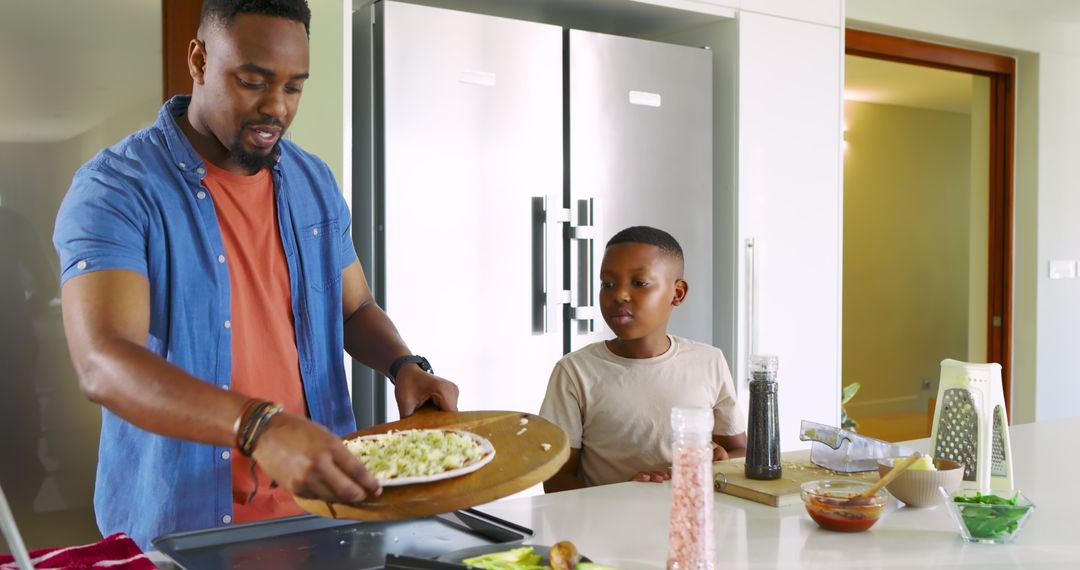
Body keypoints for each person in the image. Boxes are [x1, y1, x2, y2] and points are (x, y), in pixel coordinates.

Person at [52, 0, 458, 549]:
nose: (276, 108)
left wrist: (403, 364)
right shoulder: (116, 189)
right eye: (251, 81)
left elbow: (354, 307)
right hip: (183, 533)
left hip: (325, 516)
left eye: (294, 87)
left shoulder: (313, 180)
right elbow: (104, 363)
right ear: (198, 60)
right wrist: (261, 426)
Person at [539, 226, 747, 492]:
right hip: (608, 526)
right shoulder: (575, 371)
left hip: (686, 522)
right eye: (607, 284)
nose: (619, 295)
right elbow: (556, 478)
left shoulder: (709, 361)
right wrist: (623, 497)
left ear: (678, 293)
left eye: (639, 283)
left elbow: (738, 449)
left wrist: (720, 460)